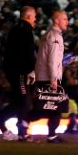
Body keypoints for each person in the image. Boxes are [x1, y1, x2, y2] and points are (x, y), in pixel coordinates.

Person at [0, 6, 37, 141]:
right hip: (20, 72)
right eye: (34, 16)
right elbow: (27, 53)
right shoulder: (26, 31)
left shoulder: (14, 30)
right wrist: (31, 69)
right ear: (28, 16)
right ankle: (22, 132)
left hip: (13, 71)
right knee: (24, 102)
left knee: (18, 102)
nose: (35, 19)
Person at [31, 10, 68, 143]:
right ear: (57, 20)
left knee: (44, 107)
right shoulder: (55, 37)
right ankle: (51, 135)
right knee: (54, 107)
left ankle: (24, 123)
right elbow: (52, 60)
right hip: (48, 77)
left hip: (43, 76)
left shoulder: (48, 35)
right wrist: (54, 78)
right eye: (64, 19)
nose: (67, 22)